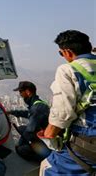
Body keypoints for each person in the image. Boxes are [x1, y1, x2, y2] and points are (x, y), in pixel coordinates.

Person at [39, 30, 96, 175]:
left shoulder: (67, 70)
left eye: (61, 53)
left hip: (88, 140)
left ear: (68, 52)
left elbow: (63, 112)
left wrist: (49, 134)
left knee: (47, 167)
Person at [7, 81, 51, 162]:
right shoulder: (38, 103)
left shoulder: (36, 108)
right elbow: (29, 113)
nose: (20, 95)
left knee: (21, 149)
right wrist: (13, 112)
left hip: (46, 143)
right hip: (44, 134)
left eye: (21, 92)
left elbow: (29, 131)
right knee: (21, 128)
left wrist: (18, 146)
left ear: (27, 92)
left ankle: (44, 160)